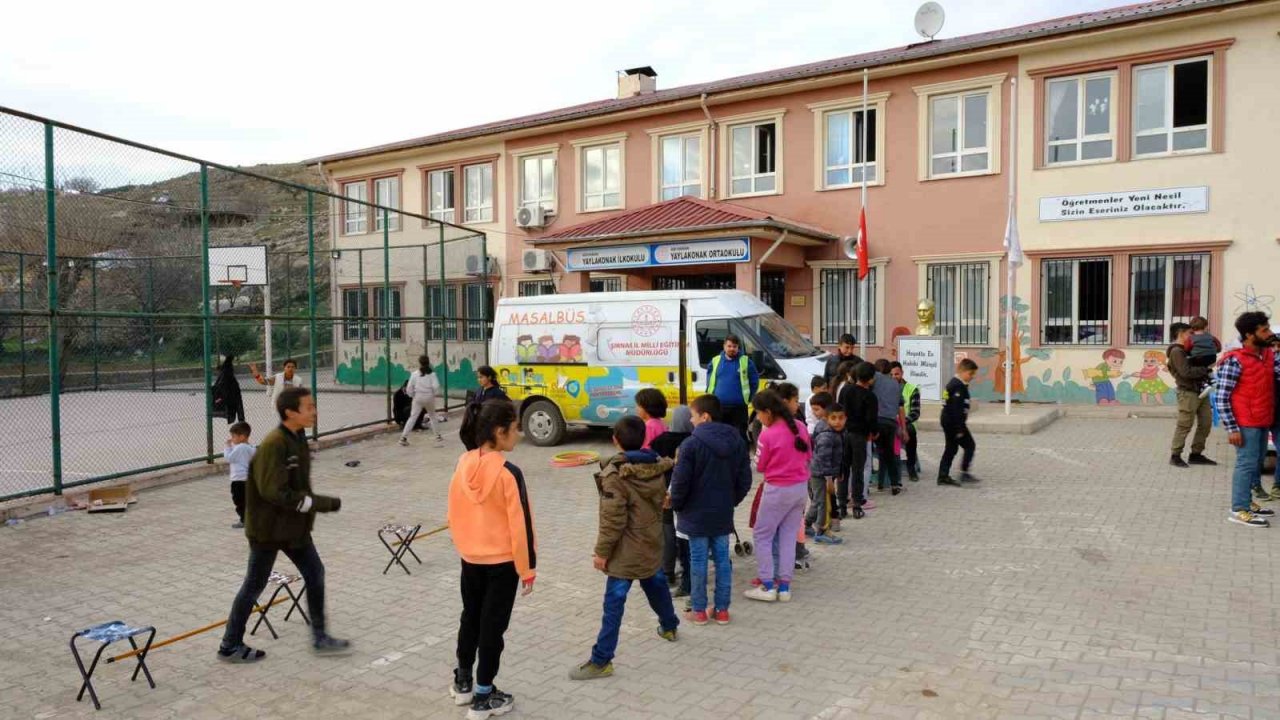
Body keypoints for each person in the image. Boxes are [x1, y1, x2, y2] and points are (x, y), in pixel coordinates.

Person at [216, 387, 349, 664]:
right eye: (308, 407)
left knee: (315, 573)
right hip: (268, 530)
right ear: (291, 413)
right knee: (254, 585)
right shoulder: (275, 443)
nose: (314, 411)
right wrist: (318, 504)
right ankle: (230, 645)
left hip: (292, 528)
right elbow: (274, 492)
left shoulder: (297, 438)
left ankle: (320, 636)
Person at [569, 417, 679, 681]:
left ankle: (601, 660)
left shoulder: (616, 476)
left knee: (614, 603)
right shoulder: (656, 466)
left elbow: (612, 521)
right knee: (656, 585)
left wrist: (602, 553)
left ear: (615, 440)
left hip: (626, 552)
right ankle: (669, 626)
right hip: (651, 543)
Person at [447, 399, 537, 717]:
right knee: (492, 629)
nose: (518, 433)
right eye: (515, 428)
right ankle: (484, 695)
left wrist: (465, 545)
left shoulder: (463, 463)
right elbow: (522, 525)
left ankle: (463, 682)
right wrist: (528, 569)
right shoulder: (508, 473)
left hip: (470, 558)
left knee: (470, 617)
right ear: (499, 432)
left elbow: (454, 511)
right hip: (502, 563)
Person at [669, 395, 752, 626]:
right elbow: (745, 478)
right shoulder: (736, 440)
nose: (692, 421)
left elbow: (680, 482)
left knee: (698, 562)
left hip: (695, 514)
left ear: (704, 416)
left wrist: (676, 504)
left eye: (693, 417)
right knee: (722, 560)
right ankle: (722, 610)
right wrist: (731, 500)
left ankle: (698, 611)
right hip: (722, 512)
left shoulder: (690, 445)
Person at [1212, 312, 1280, 528]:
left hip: (1262, 420)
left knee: (1256, 464)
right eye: (1264, 330)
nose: (1269, 333)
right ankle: (1239, 509)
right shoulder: (1234, 360)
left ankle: (1247, 503)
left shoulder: (1267, 355)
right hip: (1245, 423)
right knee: (1246, 464)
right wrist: (1232, 428)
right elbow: (1222, 396)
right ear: (1250, 334)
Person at [744, 388, 811, 603]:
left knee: (763, 535)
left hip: (777, 490)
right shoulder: (800, 426)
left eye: (759, 413)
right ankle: (784, 586)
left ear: (768, 412)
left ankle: (767, 584)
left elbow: (760, 465)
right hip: (800, 488)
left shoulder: (768, 434)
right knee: (788, 536)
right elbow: (808, 454)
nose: (758, 418)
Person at [651, 406, 693, 599]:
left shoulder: (658, 442)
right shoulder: (693, 441)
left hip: (664, 494)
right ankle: (691, 573)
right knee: (687, 535)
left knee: (667, 531)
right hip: (688, 495)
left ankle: (667, 572)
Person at [1166, 322, 1215, 469]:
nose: (1192, 336)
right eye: (1189, 333)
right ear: (1181, 334)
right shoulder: (1176, 351)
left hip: (1200, 391)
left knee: (1206, 423)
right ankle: (1175, 455)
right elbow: (1185, 373)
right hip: (1187, 392)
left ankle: (1196, 454)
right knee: (1184, 424)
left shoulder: (1189, 350)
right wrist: (1205, 370)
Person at [837, 362, 877, 517]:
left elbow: (839, 408)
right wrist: (873, 432)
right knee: (858, 471)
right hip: (860, 436)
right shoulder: (870, 396)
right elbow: (871, 419)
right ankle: (857, 505)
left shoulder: (846, 390)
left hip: (843, 433)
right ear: (871, 379)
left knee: (843, 470)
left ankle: (841, 506)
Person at [705, 334, 759, 443]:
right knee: (720, 437)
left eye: (734, 346)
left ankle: (741, 459)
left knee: (740, 437)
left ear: (738, 347)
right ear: (724, 346)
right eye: (729, 346)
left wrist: (749, 397)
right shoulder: (715, 361)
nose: (732, 349)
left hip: (739, 408)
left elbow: (754, 381)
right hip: (719, 407)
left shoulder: (746, 361)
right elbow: (710, 380)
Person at [806, 403, 846, 544]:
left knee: (818, 501)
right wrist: (829, 478)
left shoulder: (837, 432)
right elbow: (823, 459)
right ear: (827, 419)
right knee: (822, 502)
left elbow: (837, 456)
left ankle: (805, 524)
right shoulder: (827, 436)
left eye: (841, 418)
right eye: (833, 418)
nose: (837, 421)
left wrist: (839, 471)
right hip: (820, 474)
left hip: (826, 473)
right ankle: (821, 530)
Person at [938, 359, 980, 487]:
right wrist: (960, 429)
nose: (972, 377)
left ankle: (946, 475)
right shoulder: (957, 386)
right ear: (962, 371)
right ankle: (954, 475)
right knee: (967, 446)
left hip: (951, 421)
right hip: (953, 423)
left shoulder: (957, 384)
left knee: (952, 448)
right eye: (970, 373)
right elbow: (956, 409)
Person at [871, 359, 906, 495]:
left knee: (875, 453)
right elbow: (900, 406)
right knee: (889, 453)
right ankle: (894, 483)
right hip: (891, 423)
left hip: (877, 421)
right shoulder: (896, 384)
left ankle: (878, 482)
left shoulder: (875, 379)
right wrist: (902, 428)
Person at [461, 366, 511, 450]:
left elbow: (507, 406)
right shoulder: (479, 391)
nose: (479, 380)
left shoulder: (497, 393)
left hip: (490, 427)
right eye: (478, 377)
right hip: (479, 426)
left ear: (489, 377)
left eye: (481, 377)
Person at [400, 355, 443, 447]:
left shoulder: (414, 374)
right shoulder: (432, 374)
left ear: (419, 363)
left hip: (418, 397)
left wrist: (412, 396)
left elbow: (409, 388)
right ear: (428, 363)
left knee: (412, 417)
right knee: (432, 416)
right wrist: (433, 394)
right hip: (429, 397)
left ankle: (403, 437)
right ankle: (438, 435)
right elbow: (436, 387)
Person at [891, 361, 921, 481]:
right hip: (890, 423)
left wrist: (902, 423)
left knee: (909, 432)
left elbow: (915, 413)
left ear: (902, 373)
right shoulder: (885, 389)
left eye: (896, 374)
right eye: (891, 374)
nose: (894, 377)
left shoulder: (912, 389)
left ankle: (911, 467)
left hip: (907, 423)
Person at [224, 422, 254, 529]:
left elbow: (229, 458)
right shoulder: (250, 447)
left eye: (233, 436)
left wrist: (228, 447)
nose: (232, 439)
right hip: (248, 479)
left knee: (239, 501)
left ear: (242, 437)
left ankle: (244, 520)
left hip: (238, 480)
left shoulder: (240, 447)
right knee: (247, 500)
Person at [212, 354, 246, 425]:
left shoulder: (225, 373)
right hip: (232, 394)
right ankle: (241, 420)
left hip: (228, 397)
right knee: (238, 403)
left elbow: (220, 386)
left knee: (237, 403)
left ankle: (240, 420)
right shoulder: (228, 372)